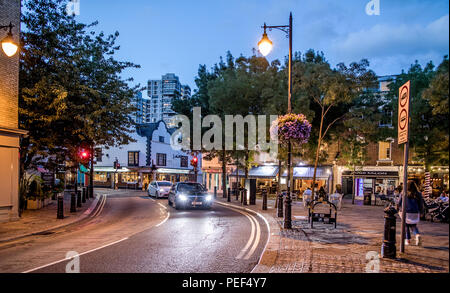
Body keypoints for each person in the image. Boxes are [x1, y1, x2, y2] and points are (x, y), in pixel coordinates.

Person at [398, 181, 423, 246]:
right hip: (415, 212)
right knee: (413, 225)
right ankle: (417, 235)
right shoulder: (418, 193)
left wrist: (397, 209)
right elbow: (420, 204)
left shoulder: (403, 193)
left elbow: (399, 202)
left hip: (405, 211)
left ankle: (407, 240)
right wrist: (421, 211)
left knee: (405, 225)